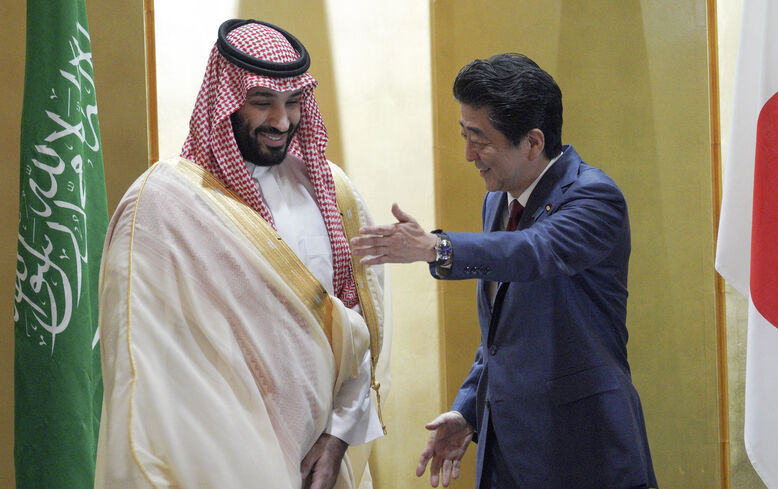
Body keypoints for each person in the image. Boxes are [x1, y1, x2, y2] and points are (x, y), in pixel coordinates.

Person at [95, 19, 388, 489]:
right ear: (225, 101)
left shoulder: (333, 193)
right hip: (216, 461)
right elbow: (144, 361)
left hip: (323, 462)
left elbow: (363, 331)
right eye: (262, 102)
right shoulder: (164, 205)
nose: (281, 121)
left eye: (293, 103)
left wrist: (338, 438)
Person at [351, 53, 657, 488]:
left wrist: (436, 248)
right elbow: (503, 333)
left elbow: (534, 250)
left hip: (585, 451)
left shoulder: (594, 197)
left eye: (479, 139)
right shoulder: (497, 199)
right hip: (507, 455)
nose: (468, 154)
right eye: (464, 135)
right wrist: (468, 410)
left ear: (533, 143)